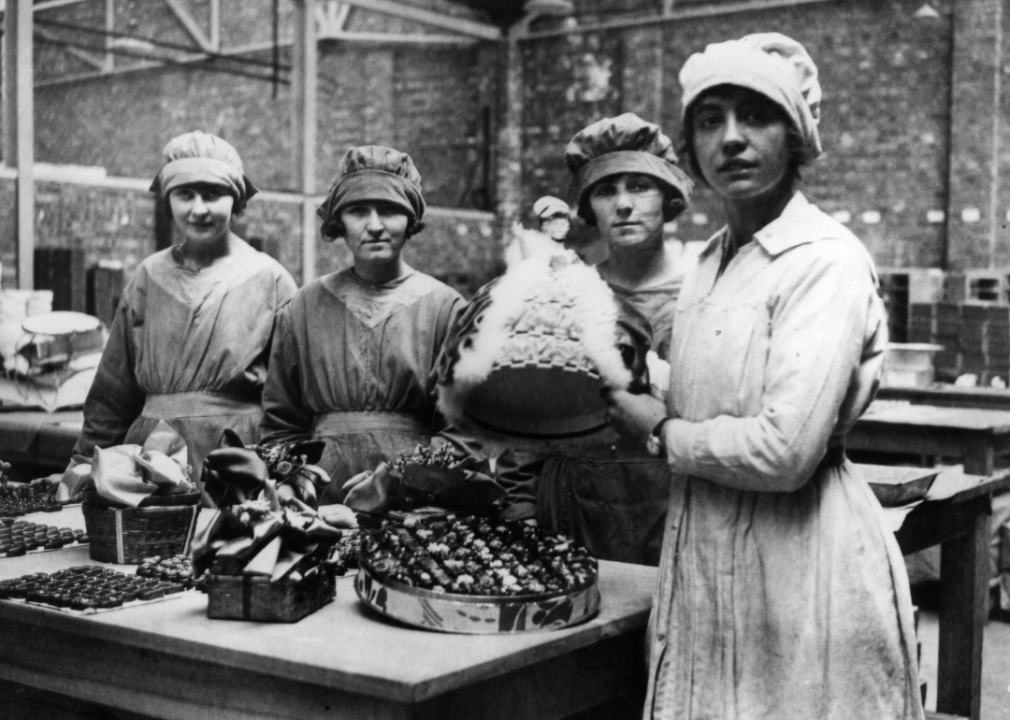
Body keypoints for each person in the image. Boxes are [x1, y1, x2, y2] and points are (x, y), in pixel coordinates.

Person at [603, 34, 924, 718]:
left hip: (802, 564)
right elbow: (719, 397)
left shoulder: (824, 261)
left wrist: (659, 429)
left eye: (756, 116)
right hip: (707, 552)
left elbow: (785, 451)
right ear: (690, 149)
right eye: (710, 120)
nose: (733, 139)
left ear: (797, 134)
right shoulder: (709, 264)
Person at [496, 113, 692, 566]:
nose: (623, 205)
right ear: (587, 208)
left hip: (680, 513)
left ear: (669, 198)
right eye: (606, 191)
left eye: (639, 187)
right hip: (575, 510)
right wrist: (522, 516)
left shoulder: (708, 299)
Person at [73, 131, 298, 504]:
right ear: (168, 200)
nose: (198, 209)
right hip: (151, 465)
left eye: (213, 194)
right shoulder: (148, 277)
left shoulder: (270, 280)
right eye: (184, 194)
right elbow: (111, 397)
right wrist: (84, 466)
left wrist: (284, 482)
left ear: (237, 198)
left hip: (237, 464)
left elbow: (291, 406)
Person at [259, 145, 464, 505]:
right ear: (339, 222)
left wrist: (401, 481)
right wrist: (294, 485)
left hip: (414, 503)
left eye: (389, 210)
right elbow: (282, 424)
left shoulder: (445, 309)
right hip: (320, 501)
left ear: (411, 218)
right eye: (358, 211)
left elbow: (463, 431)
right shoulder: (304, 308)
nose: (374, 225)